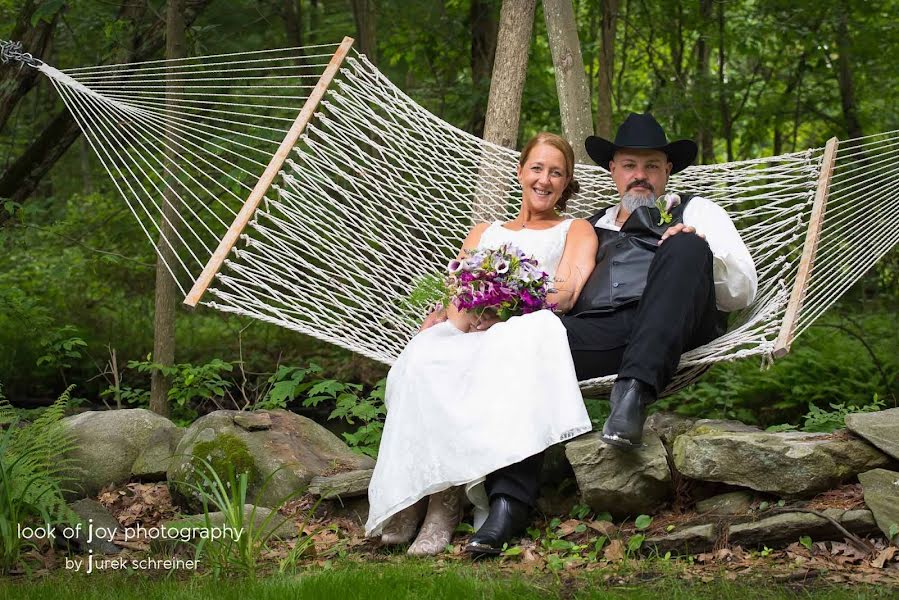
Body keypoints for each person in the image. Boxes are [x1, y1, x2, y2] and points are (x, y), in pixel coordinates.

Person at [462, 112, 759, 554]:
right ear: (612, 170)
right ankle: (508, 504)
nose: (640, 176)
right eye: (629, 165)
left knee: (687, 243)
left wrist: (690, 252)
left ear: (667, 170)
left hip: (674, 328)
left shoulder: (696, 210)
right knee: (525, 340)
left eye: (652, 166)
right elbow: (562, 290)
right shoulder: (589, 228)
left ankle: (633, 394)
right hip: (604, 333)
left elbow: (742, 290)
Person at [365, 132, 597, 556]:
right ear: (520, 172)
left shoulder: (575, 229)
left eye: (556, 173)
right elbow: (457, 296)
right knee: (421, 356)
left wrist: (503, 307)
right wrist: (452, 313)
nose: (544, 180)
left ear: (567, 183)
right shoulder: (484, 231)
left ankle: (444, 506)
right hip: (470, 328)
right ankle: (430, 494)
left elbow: (565, 291)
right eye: (537, 168)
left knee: (482, 361)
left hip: (522, 331)